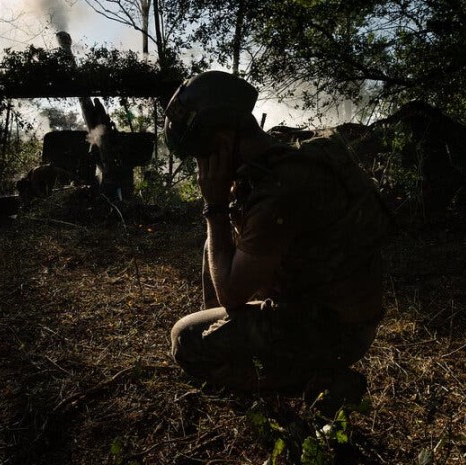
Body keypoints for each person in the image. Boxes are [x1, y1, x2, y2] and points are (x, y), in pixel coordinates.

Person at [165, 71, 393, 413]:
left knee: (185, 341)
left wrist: (213, 204)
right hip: (336, 312)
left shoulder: (280, 188)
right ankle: (235, 338)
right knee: (215, 246)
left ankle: (321, 380)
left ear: (224, 144)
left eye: (201, 156)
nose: (200, 168)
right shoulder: (281, 152)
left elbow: (231, 292)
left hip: (334, 332)